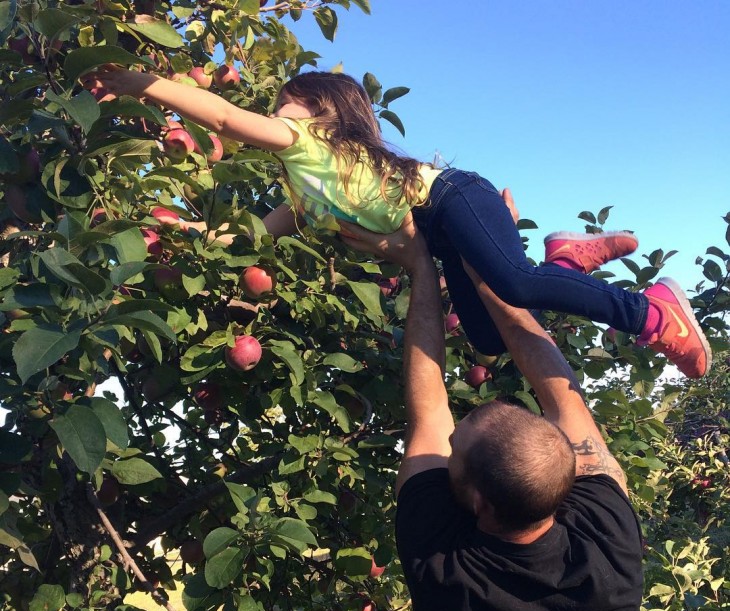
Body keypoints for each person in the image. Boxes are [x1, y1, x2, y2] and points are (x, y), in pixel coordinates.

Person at [82, 67, 711, 378]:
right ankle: (566, 261)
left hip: (454, 198)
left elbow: (218, 115)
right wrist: (165, 231)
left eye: (286, 104)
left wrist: (135, 80)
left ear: (322, 113)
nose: (275, 114)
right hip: (438, 235)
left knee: (515, 287)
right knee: (493, 341)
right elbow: (241, 238)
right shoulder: (302, 197)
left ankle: (652, 311)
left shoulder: (304, 140)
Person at [341, 212, 675, 611]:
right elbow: (562, 395)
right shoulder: (610, 543)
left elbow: (429, 410)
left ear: (478, 502)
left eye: (456, 446)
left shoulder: (441, 558)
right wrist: (493, 261)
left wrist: (422, 267)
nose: (448, 438)